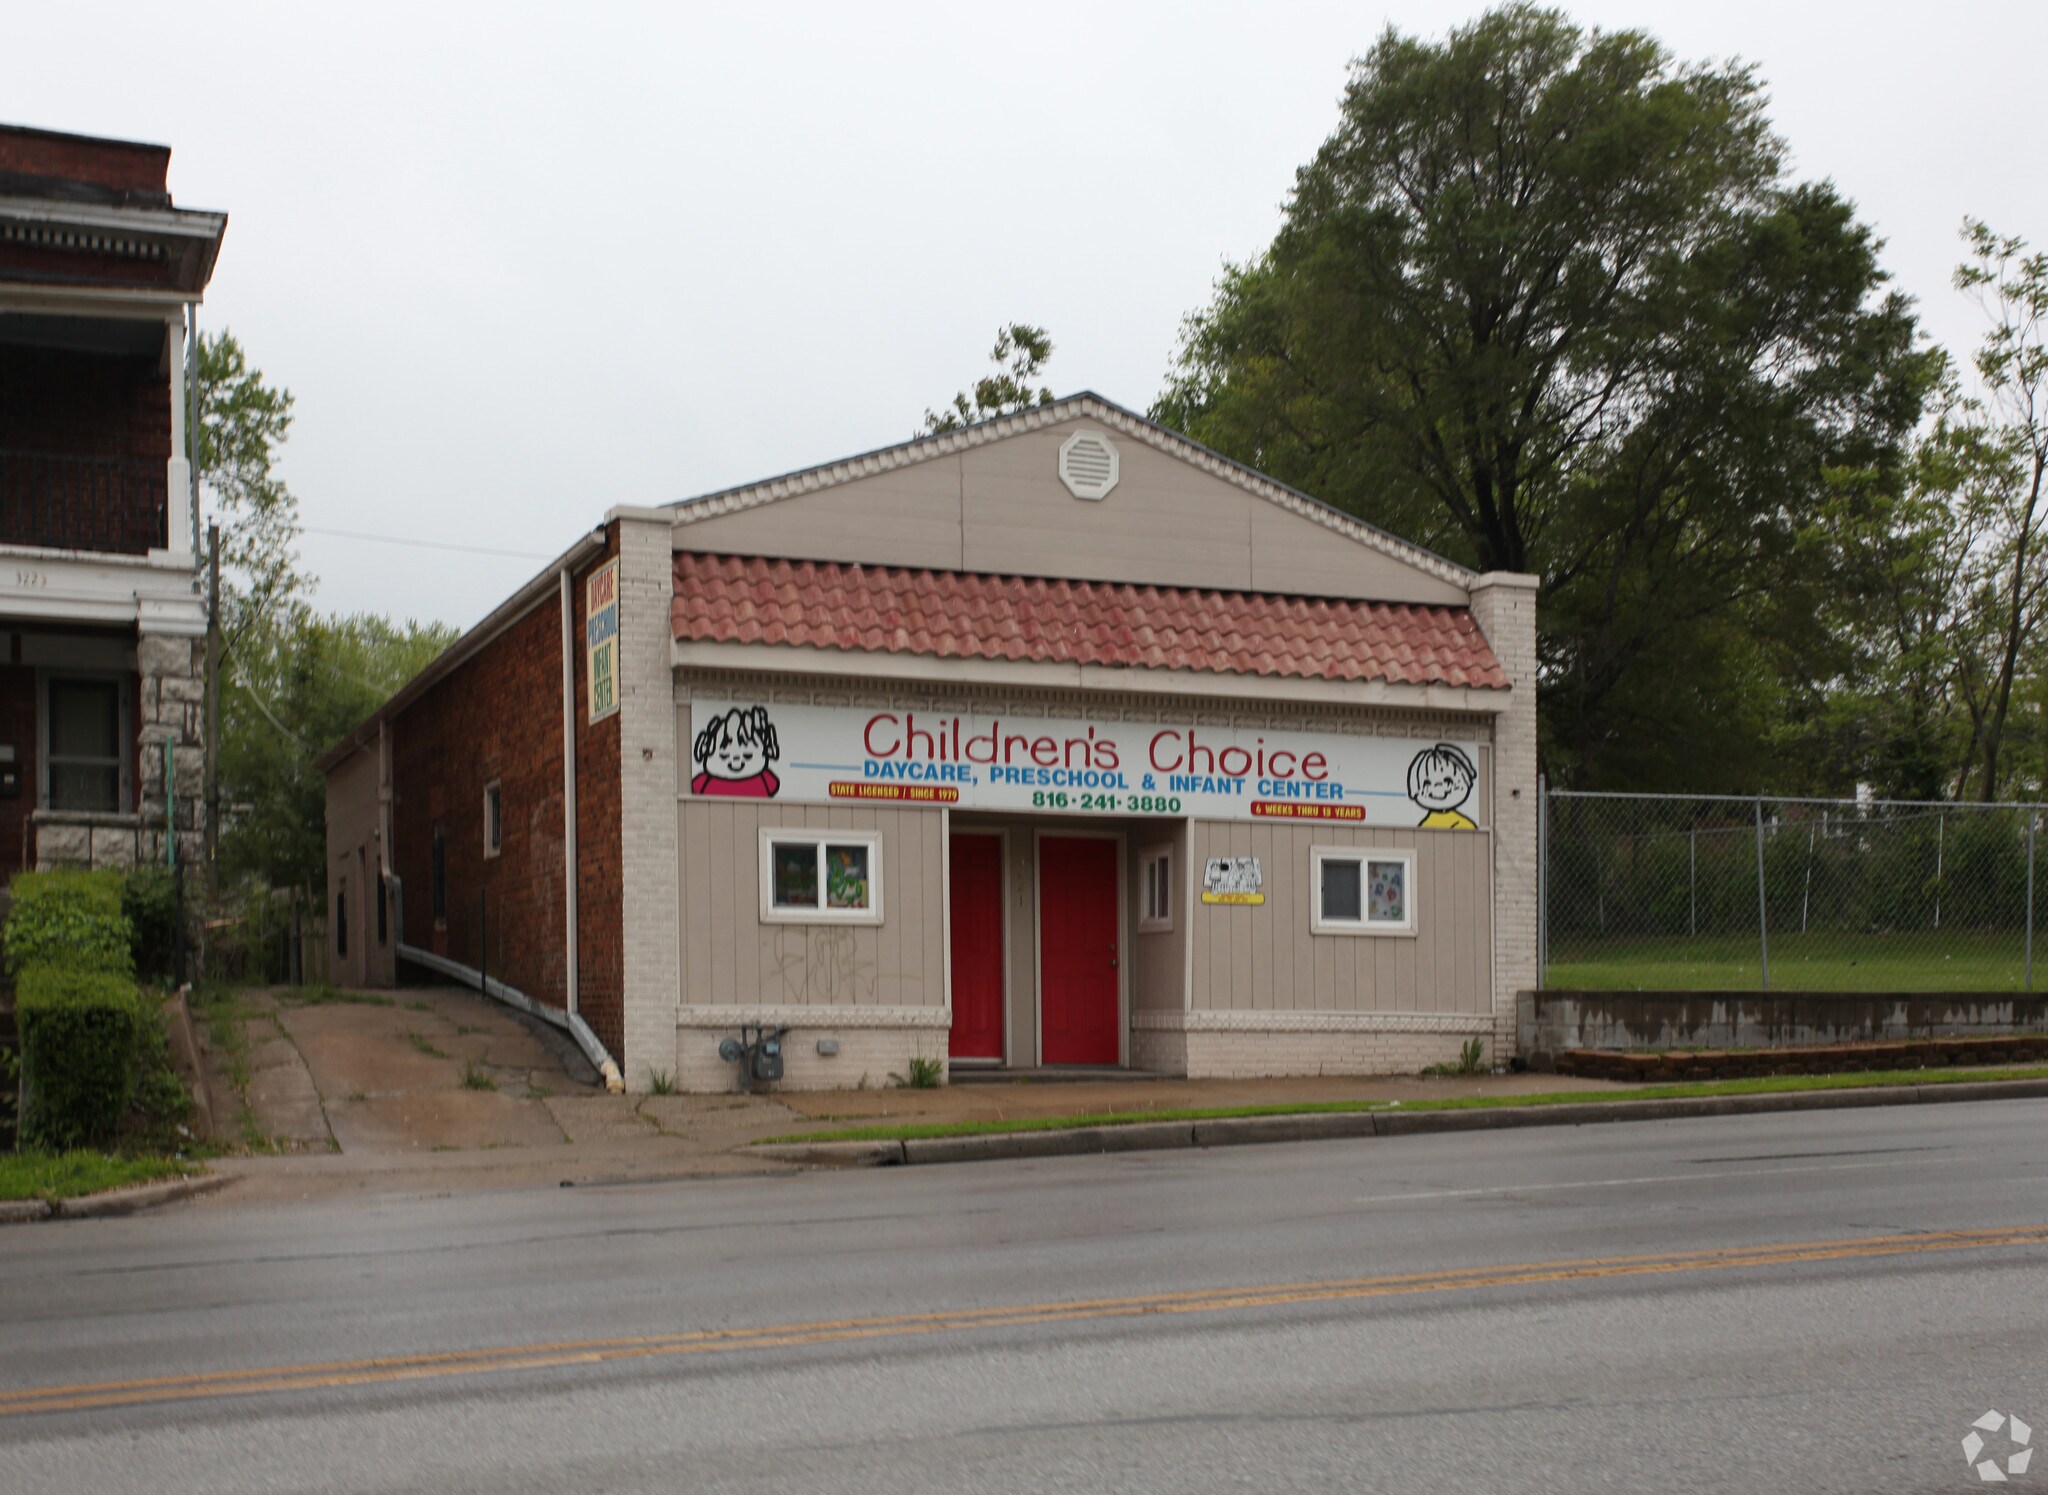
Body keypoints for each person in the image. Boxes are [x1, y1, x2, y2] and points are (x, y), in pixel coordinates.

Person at [1407, 743, 1476, 829]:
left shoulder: (1462, 824)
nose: (1437, 788)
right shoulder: (1425, 824)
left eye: (1448, 782)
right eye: (1427, 783)